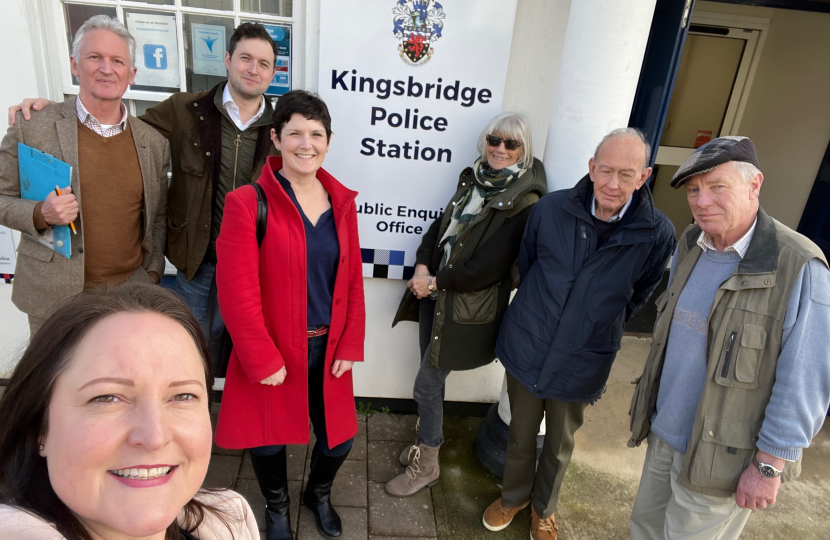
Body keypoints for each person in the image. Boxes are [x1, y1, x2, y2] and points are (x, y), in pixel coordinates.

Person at [8, 22, 280, 333]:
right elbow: (112, 124)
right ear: (229, 60)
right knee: (190, 344)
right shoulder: (185, 109)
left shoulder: (281, 130)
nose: (253, 69)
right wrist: (57, 112)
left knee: (247, 346)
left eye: (264, 64)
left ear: (272, 73)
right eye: (246, 58)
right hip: (196, 264)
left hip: (252, 263)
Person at [628, 136, 830, 540]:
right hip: (664, 434)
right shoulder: (691, 243)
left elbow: (805, 382)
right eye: (694, 190)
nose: (702, 202)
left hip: (724, 457)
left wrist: (769, 466)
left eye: (717, 187)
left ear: (754, 185)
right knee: (644, 531)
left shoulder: (798, 266)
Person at [483, 128, 676, 540]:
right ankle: (514, 496)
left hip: (584, 355)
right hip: (529, 340)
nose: (612, 183)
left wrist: (594, 322)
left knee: (559, 443)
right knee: (520, 435)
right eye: (605, 170)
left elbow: (638, 294)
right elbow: (529, 266)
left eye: (626, 174)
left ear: (644, 176)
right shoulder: (549, 210)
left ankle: (544, 509)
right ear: (591, 167)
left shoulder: (657, 233)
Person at [214, 90, 365, 540]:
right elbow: (237, 292)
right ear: (276, 139)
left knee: (340, 438)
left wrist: (350, 343)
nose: (306, 143)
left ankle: (317, 494)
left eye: (316, 134)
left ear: (328, 141)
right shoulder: (249, 202)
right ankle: (276, 508)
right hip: (275, 348)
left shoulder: (342, 202)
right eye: (295, 132)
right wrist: (261, 358)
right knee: (267, 438)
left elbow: (352, 279)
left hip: (327, 345)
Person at [0, 283, 259, 540]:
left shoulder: (232, 522)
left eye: (183, 396)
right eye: (106, 398)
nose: (154, 437)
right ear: (39, 428)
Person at [386, 112, 547, 498]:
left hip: (463, 306)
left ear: (524, 151)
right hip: (434, 295)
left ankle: (427, 465)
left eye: (511, 144)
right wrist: (424, 265)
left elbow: (488, 268)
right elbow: (438, 229)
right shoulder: (473, 180)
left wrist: (435, 281)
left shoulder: (524, 202)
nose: (500, 149)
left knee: (426, 384)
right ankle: (428, 441)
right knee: (431, 380)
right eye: (495, 140)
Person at [0, 15, 169, 335]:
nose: (107, 68)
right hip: (53, 297)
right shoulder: (33, 125)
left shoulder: (154, 143)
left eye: (117, 60)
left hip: (128, 296)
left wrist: (153, 273)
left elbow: (157, 216)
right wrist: (40, 213)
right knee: (56, 383)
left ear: (131, 74)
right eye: (95, 57)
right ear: (75, 65)